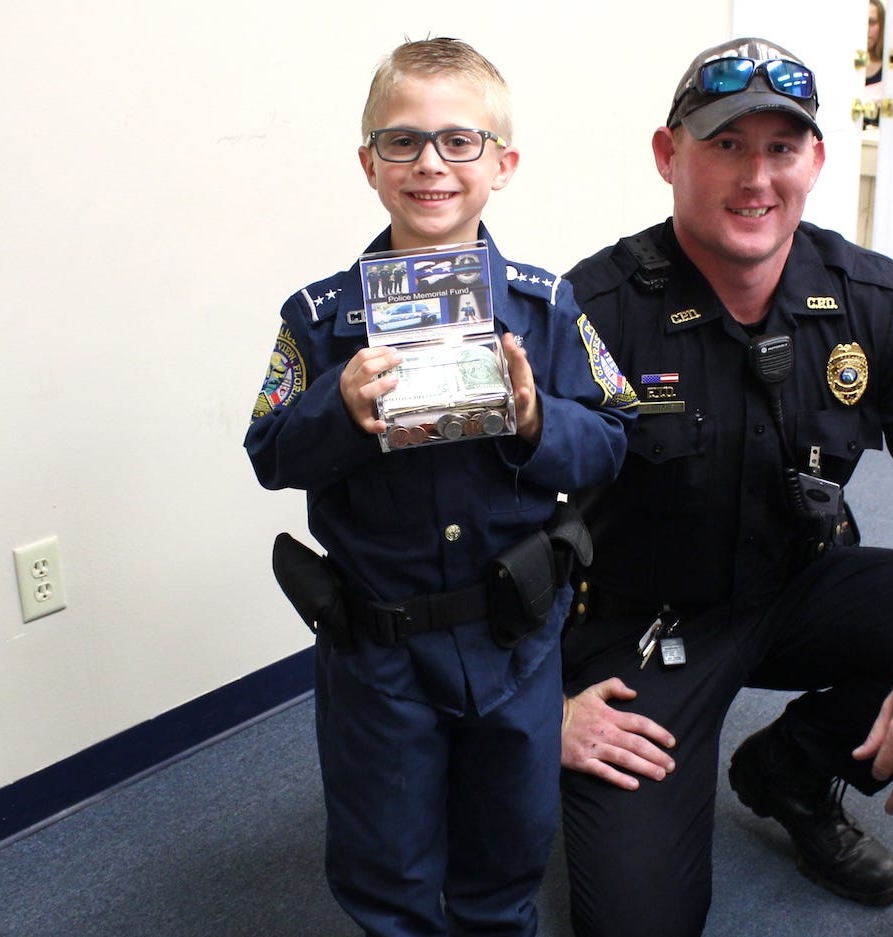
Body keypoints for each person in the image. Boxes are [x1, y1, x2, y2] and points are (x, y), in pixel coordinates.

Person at [558, 37, 893, 937]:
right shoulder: (592, 312)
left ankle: (792, 766)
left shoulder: (870, 299)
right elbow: (489, 531)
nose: (757, 178)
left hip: (798, 585)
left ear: (816, 159)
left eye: (782, 148)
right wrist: (548, 706)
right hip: (645, 629)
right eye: (726, 144)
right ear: (668, 155)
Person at [243, 38, 631, 937]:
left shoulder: (546, 308)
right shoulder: (317, 320)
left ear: (503, 164)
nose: (430, 163)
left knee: (507, 858)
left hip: (516, 645)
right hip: (380, 656)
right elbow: (268, 453)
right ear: (368, 163)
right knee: (388, 872)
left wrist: (539, 422)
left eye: (460, 141)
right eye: (402, 141)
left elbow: (613, 442)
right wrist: (336, 410)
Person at [863, 1, 886, 128]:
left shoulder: (889, 69)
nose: (866, 28)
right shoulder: (845, 67)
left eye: (872, 23)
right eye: (863, 22)